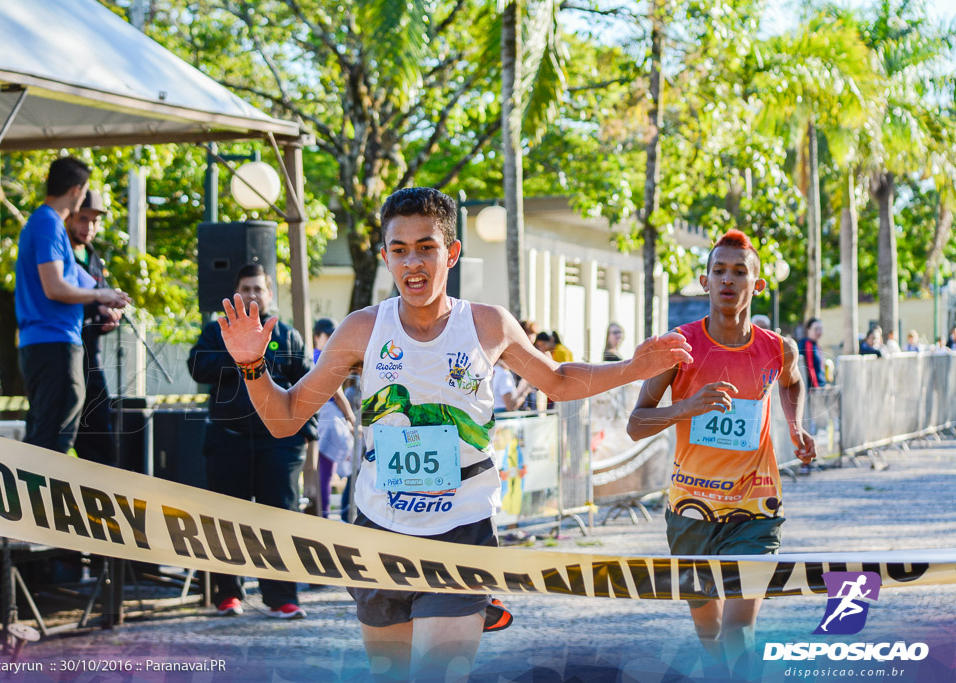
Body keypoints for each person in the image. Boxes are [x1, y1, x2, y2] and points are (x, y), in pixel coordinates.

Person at [217, 187, 692, 681]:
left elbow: (559, 380)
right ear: (385, 257)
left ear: (453, 253)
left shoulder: (487, 325)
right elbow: (286, 417)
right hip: (379, 528)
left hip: (461, 530)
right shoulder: (361, 329)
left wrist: (634, 368)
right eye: (399, 250)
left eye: (426, 247)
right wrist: (253, 365)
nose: (413, 263)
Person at [627, 229, 816, 677]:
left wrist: (795, 425)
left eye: (739, 271)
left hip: (756, 508)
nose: (728, 280)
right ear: (704, 281)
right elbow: (636, 425)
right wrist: (689, 406)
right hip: (691, 511)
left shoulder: (777, 348)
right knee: (710, 636)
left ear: (757, 284)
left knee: (736, 632)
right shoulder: (680, 348)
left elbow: (792, 382)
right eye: (719, 271)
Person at [187, 264, 317, 620]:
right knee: (225, 521)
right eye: (246, 288)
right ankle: (227, 594)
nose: (252, 294)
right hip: (228, 441)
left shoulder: (286, 335)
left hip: (278, 445)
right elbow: (197, 367)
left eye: (259, 289)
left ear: (270, 294)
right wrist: (240, 352)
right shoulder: (216, 333)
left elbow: (306, 383)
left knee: (280, 520)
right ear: (235, 293)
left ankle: (281, 597)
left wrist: (306, 435)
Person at [16, 157, 130, 453]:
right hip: (53, 343)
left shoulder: (45, 224)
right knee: (52, 440)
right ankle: (31, 499)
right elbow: (55, 287)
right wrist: (100, 296)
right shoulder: (48, 224)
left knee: (55, 435)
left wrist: (104, 299)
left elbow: (69, 281)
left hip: (51, 343)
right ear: (77, 191)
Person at [65, 189, 122, 467]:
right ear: (69, 216)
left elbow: (96, 309)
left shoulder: (94, 257)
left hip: (91, 361)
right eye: (83, 219)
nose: (89, 227)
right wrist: (96, 305)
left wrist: (108, 318)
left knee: (101, 440)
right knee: (56, 437)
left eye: (95, 221)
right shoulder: (58, 255)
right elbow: (59, 298)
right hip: (62, 356)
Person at [312, 317, 357, 518]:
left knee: (322, 473)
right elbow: (337, 395)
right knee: (326, 474)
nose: (332, 338)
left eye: (334, 334)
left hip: (317, 420)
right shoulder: (322, 358)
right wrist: (352, 421)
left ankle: (322, 516)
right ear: (317, 337)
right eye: (328, 335)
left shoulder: (315, 356)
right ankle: (324, 518)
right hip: (325, 421)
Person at [797, 318, 827, 389]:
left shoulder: (816, 345)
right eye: (816, 329)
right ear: (808, 330)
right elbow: (809, 366)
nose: (819, 332)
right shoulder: (808, 344)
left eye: (820, 329)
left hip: (820, 384)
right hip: (813, 388)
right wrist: (816, 386)